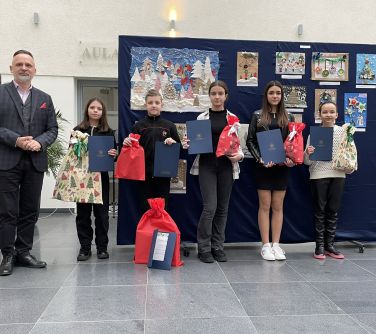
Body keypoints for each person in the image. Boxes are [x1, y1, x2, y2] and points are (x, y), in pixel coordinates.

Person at [0, 50, 58, 276]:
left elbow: (52, 129)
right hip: (7, 161)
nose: (24, 68)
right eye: (19, 64)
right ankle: (7, 255)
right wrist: (16, 140)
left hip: (35, 161)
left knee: (29, 210)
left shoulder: (45, 99)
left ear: (35, 70)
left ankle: (23, 251)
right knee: (7, 211)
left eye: (28, 65)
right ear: (11, 68)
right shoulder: (1, 93)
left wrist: (40, 142)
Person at [182, 80, 244, 263]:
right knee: (210, 208)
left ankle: (218, 246)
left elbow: (239, 147)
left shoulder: (233, 119)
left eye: (220, 93)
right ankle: (204, 247)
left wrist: (238, 156)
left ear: (226, 96)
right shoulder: (201, 118)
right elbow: (193, 142)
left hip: (226, 167)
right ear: (209, 96)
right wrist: (188, 143)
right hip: (207, 166)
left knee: (223, 209)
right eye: (214, 93)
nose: (217, 97)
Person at [246, 80, 294, 261]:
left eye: (278, 93)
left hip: (282, 168)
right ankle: (265, 245)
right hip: (263, 167)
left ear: (282, 96)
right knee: (265, 206)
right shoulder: (257, 115)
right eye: (271, 92)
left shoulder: (288, 117)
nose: (275, 96)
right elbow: (250, 140)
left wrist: (291, 159)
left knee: (278, 206)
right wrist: (260, 158)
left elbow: (293, 143)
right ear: (266, 95)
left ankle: (276, 245)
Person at [304, 101, 352, 260]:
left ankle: (330, 245)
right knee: (320, 211)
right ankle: (319, 246)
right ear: (319, 115)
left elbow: (350, 155)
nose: (329, 115)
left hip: (338, 175)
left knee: (333, 211)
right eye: (325, 112)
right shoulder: (314, 134)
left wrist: (349, 167)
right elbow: (307, 162)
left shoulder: (343, 132)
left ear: (337, 115)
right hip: (318, 174)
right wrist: (308, 153)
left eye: (332, 112)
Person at [123, 89, 180, 213]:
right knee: (145, 208)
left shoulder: (170, 126)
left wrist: (173, 142)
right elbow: (131, 149)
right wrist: (127, 142)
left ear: (161, 104)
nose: (153, 105)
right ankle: (146, 232)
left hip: (163, 175)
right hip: (144, 174)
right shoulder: (139, 126)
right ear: (145, 105)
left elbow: (178, 149)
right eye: (150, 103)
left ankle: (160, 232)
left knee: (162, 209)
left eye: (156, 102)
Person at [74, 98, 117, 261]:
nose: (95, 110)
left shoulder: (109, 132)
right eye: (92, 107)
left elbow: (114, 156)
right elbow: (72, 154)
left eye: (99, 108)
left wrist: (114, 154)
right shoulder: (78, 130)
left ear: (102, 112)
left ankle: (102, 248)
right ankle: (85, 248)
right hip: (82, 179)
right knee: (83, 214)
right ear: (87, 110)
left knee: (102, 214)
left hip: (101, 178)